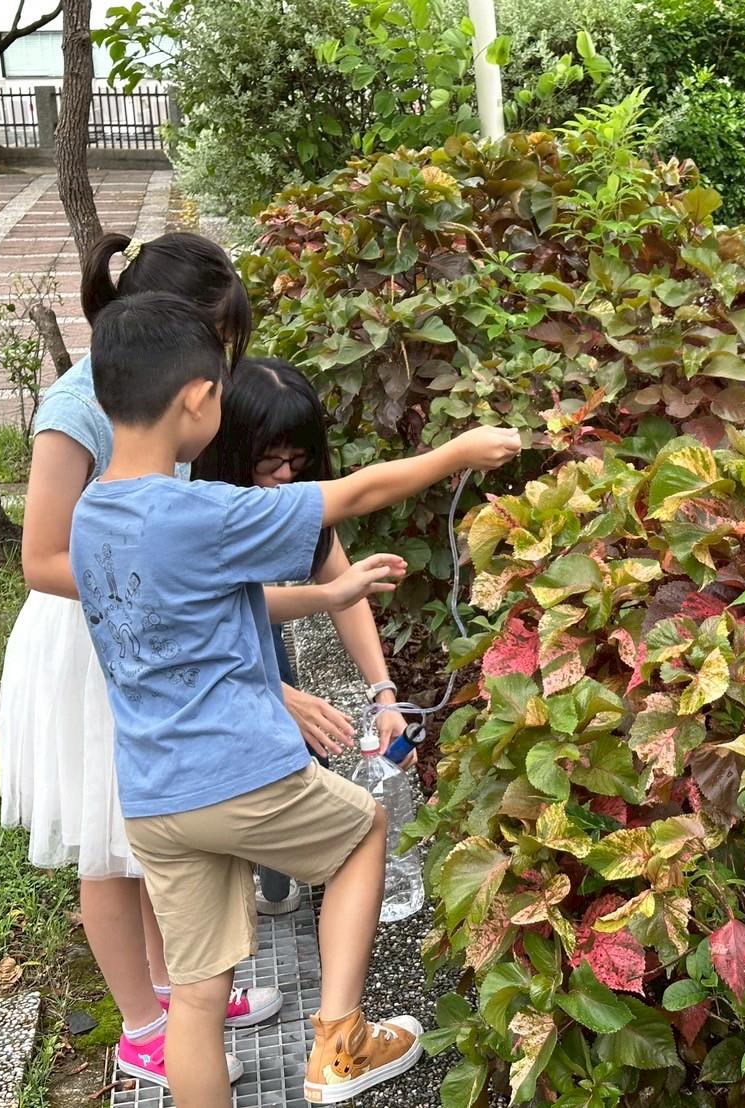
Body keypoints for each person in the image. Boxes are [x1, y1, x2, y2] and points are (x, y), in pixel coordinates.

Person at [69, 291, 520, 1106]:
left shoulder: (91, 516)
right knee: (362, 830)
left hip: (154, 796)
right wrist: (456, 452)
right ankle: (340, 1044)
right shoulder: (202, 511)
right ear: (198, 399)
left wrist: (328, 595)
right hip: (238, 771)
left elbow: (201, 609)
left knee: (197, 1000)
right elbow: (351, 496)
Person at [0, 232, 402, 1090]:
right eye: (216, 343)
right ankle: (151, 1024)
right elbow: (44, 559)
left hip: (163, 650)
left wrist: (369, 683)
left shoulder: (168, 415)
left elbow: (294, 562)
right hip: (102, 632)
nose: (221, 366)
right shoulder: (91, 411)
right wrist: (259, 679)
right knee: (103, 841)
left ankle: (179, 999)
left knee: (165, 886)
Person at [192, 357, 414, 917]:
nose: (287, 476)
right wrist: (271, 693)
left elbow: (342, 587)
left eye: (300, 460)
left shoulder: (289, 503)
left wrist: (383, 694)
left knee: (299, 750)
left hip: (253, 652)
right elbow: (205, 617)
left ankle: (275, 883)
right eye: (270, 461)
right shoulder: (197, 507)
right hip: (197, 679)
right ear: (230, 448)